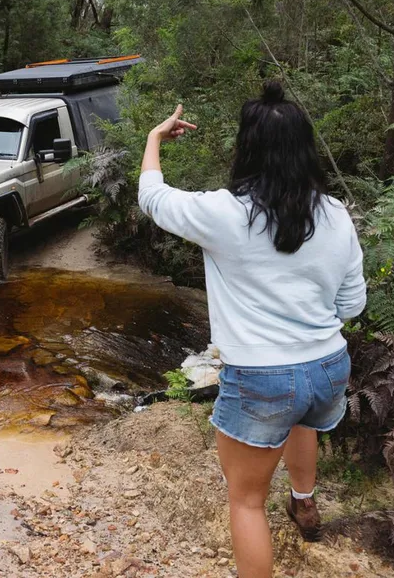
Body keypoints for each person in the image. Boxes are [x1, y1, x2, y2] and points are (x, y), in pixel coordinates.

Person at [138, 82, 366, 578]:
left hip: (263, 378)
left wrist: (155, 139)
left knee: (245, 502)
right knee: (302, 417)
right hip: (328, 366)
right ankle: (304, 502)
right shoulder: (335, 213)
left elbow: (153, 198)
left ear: (247, 148)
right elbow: (352, 304)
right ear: (304, 148)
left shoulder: (224, 213)